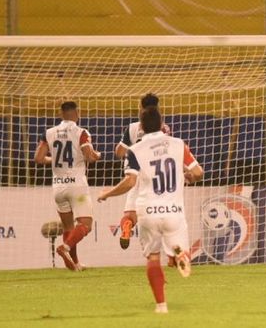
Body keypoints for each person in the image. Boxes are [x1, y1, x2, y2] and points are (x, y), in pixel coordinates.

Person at [98, 106, 203, 314]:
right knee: (178, 249)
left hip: (147, 211)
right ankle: (179, 254)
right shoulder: (178, 144)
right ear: (162, 123)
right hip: (174, 211)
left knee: (153, 257)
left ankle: (161, 306)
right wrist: (188, 177)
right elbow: (198, 172)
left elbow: (130, 182)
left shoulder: (134, 150)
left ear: (142, 126)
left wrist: (108, 193)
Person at [34, 101, 101, 271]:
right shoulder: (81, 133)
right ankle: (65, 247)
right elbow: (90, 156)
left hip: (58, 187)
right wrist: (97, 155)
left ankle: (75, 264)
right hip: (77, 186)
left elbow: (39, 158)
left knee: (68, 227)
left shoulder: (49, 132)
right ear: (77, 113)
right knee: (85, 225)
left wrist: (54, 160)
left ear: (61, 114)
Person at [114, 93, 170, 249]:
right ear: (158, 108)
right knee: (161, 213)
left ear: (141, 107)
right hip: (156, 175)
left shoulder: (132, 128)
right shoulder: (163, 128)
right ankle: (167, 249)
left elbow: (119, 152)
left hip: (135, 174)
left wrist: (129, 152)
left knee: (130, 214)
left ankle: (126, 229)